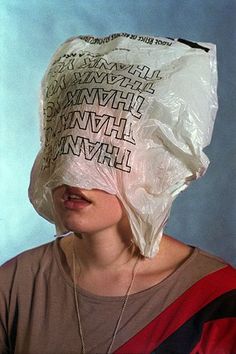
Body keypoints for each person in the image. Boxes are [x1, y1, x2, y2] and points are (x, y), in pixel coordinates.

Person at [0, 33, 235, 354]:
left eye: (104, 152)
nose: (75, 171)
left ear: (158, 166)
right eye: (67, 145)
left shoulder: (215, 299)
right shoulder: (15, 286)